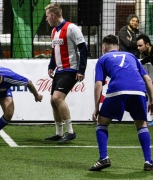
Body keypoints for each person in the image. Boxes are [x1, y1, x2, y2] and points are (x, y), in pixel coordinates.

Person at [89, 34, 153, 171]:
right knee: (141, 124)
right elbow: (148, 79)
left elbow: (98, 84)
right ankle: (148, 161)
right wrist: (152, 101)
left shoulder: (103, 58)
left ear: (103, 47)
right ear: (118, 47)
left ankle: (103, 158)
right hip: (139, 90)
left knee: (102, 122)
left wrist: (96, 107)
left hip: (118, 89)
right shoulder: (132, 56)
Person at [43, 3, 88, 144]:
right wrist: (51, 66)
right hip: (59, 70)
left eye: (47, 16)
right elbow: (54, 51)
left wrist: (81, 70)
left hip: (71, 70)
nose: (46, 19)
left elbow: (83, 49)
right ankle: (59, 132)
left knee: (57, 98)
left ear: (53, 15)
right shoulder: (54, 32)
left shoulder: (72, 28)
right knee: (52, 101)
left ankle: (70, 132)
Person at [137, 34, 153, 126]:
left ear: (147, 45)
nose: (138, 48)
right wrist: (141, 62)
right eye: (137, 46)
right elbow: (149, 58)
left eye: (140, 46)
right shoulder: (150, 54)